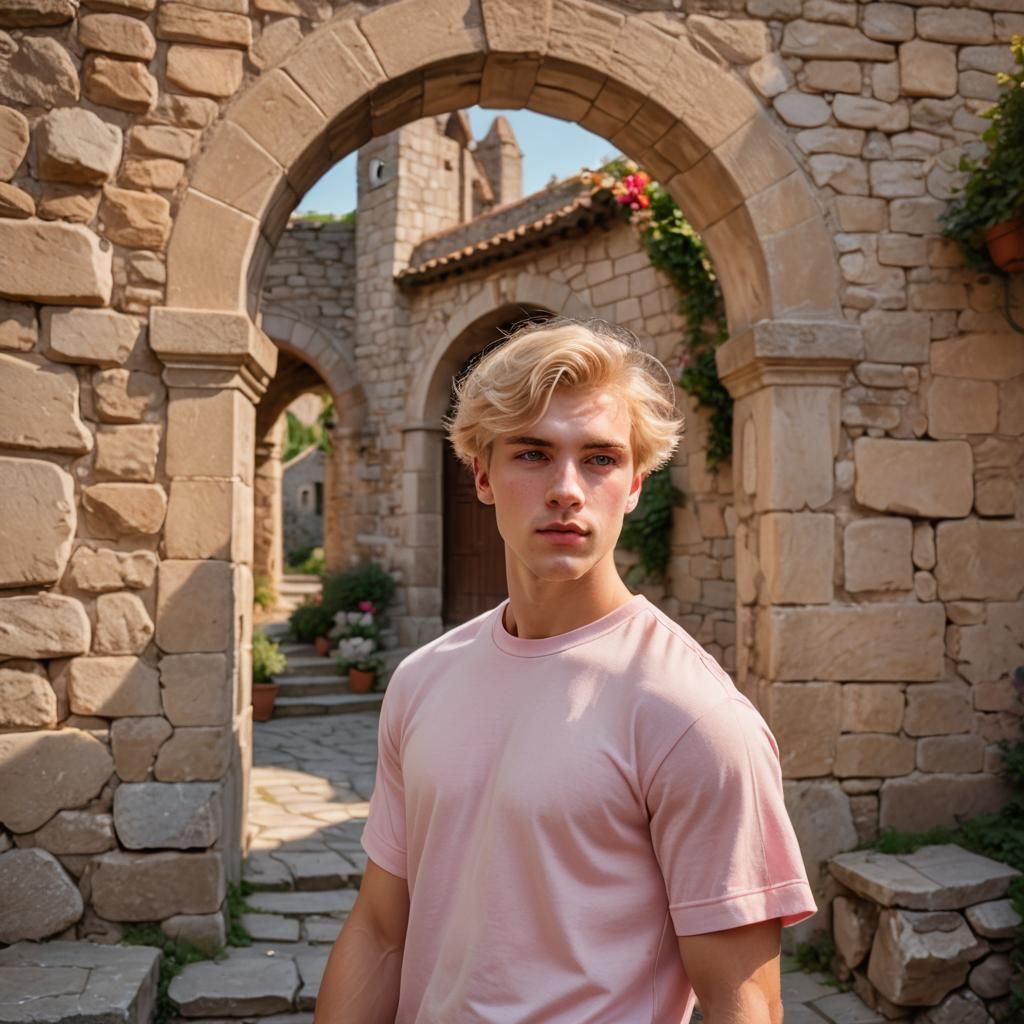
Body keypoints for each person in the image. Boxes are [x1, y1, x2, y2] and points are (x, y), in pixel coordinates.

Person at [314, 319, 816, 1024]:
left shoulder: (692, 717)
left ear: (634, 484)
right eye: (533, 454)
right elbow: (380, 932)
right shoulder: (423, 679)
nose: (567, 489)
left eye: (601, 459)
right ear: (482, 475)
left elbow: (745, 1003)